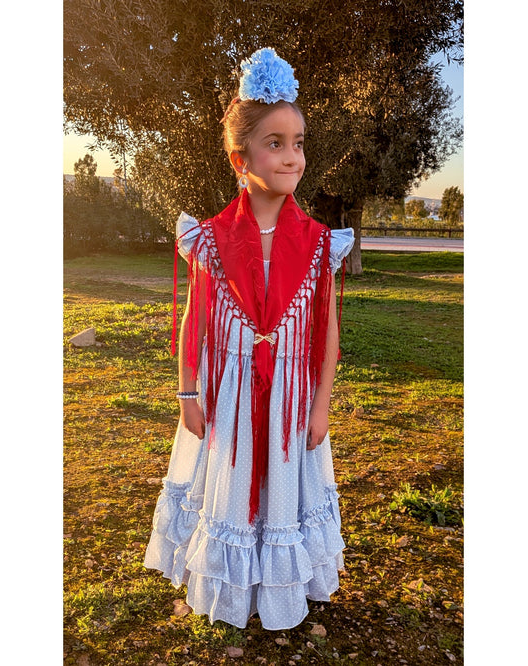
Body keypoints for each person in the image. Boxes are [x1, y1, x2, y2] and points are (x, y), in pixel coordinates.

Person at [144, 47, 354, 631]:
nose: (292, 157)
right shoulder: (211, 239)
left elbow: (327, 335)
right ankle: (230, 587)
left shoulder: (318, 244)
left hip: (290, 396)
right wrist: (188, 393)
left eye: (299, 143)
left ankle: (284, 585)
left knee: (285, 488)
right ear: (241, 158)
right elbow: (196, 319)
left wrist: (320, 405)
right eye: (276, 143)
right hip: (230, 394)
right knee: (232, 487)